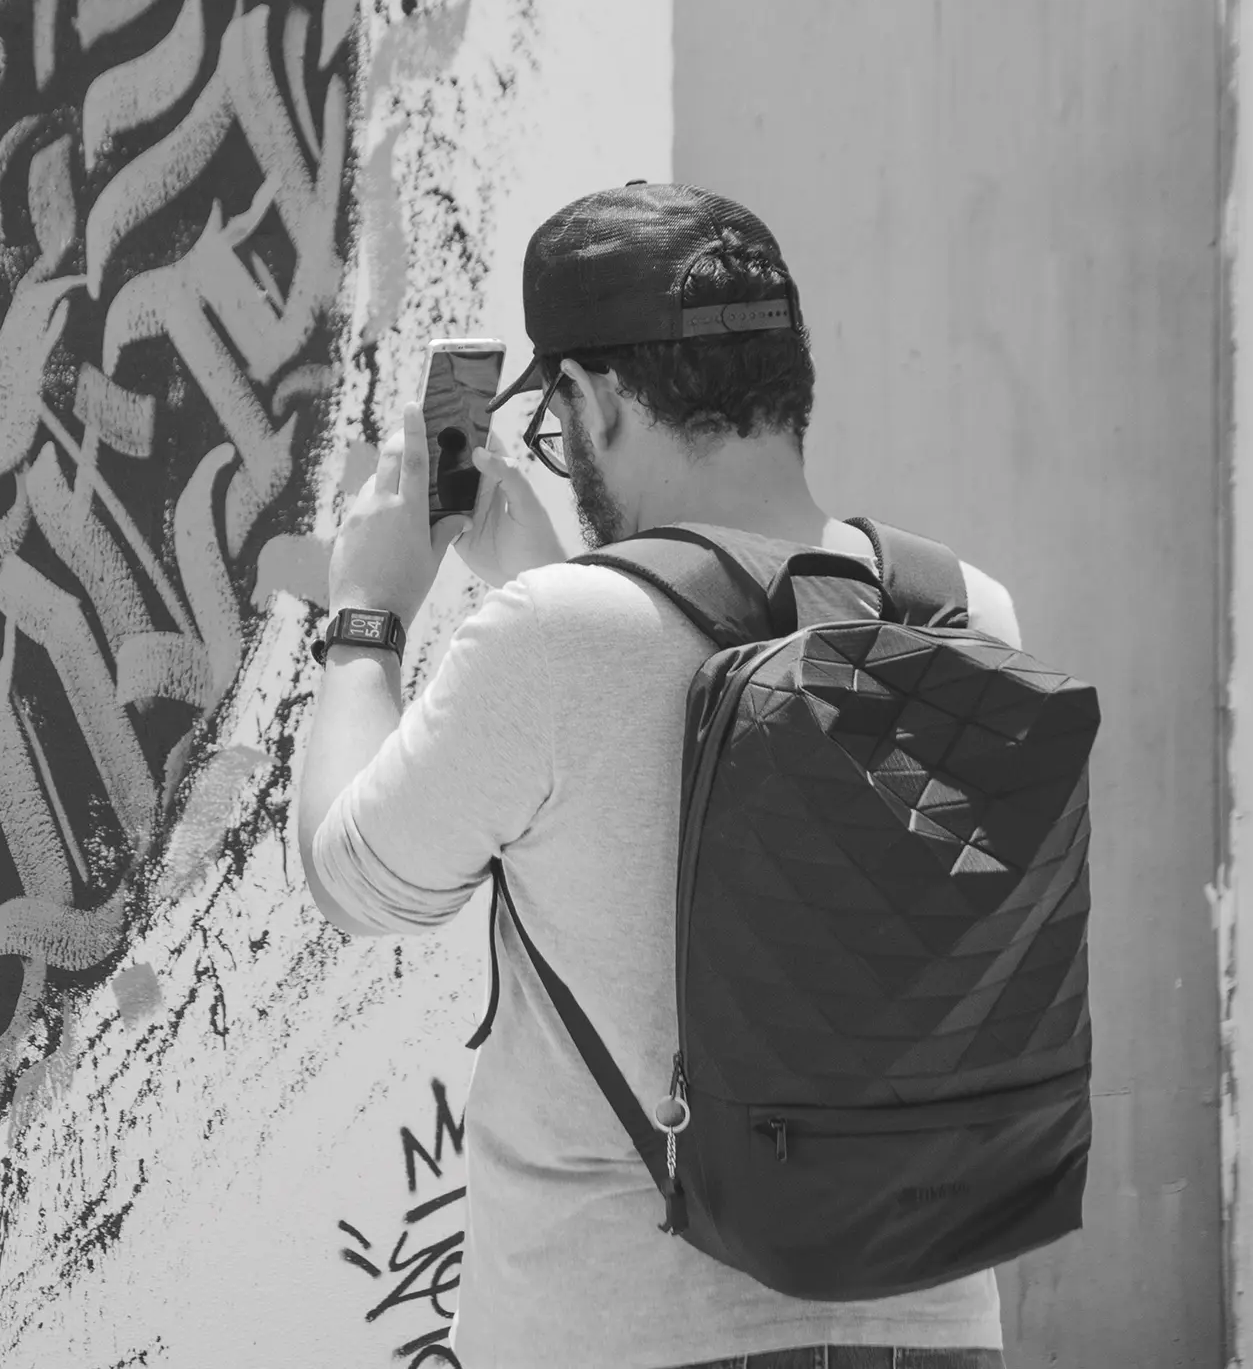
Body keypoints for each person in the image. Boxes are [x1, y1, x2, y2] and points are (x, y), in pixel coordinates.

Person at [298, 183, 1021, 1369]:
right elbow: (703, 670)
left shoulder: (556, 637)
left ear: (596, 399)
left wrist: (367, 613)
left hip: (631, 1332)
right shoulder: (960, 607)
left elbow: (356, 882)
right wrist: (553, 581)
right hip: (931, 1323)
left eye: (559, 420)